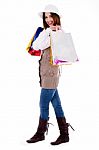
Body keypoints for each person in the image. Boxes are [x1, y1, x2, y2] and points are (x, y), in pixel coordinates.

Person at [26, 4, 74, 145]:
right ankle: (64, 135)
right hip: (45, 72)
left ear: (56, 16)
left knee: (43, 103)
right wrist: (48, 31)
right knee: (56, 104)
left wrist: (52, 32)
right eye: (46, 17)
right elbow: (35, 46)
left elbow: (41, 46)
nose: (48, 19)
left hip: (51, 73)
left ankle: (40, 133)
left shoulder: (59, 33)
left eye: (50, 16)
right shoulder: (46, 31)